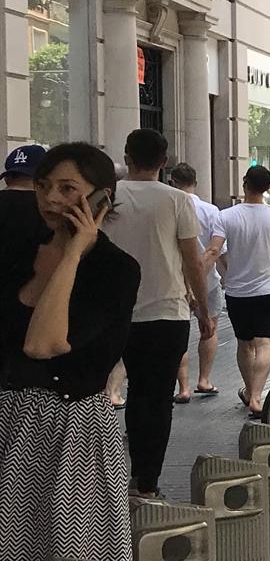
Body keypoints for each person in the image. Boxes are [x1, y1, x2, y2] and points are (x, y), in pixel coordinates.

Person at [0, 142, 140, 561]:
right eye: (44, 186)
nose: (50, 199)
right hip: (10, 422)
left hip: (70, 434)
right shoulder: (20, 249)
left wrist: (76, 251)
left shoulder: (115, 270)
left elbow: (44, 343)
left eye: (68, 188)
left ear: (101, 199)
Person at [101, 129, 208, 500]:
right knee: (157, 399)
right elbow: (192, 261)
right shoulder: (178, 200)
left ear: (126, 156)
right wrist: (204, 310)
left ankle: (118, 476)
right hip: (167, 313)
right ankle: (147, 482)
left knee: (126, 395)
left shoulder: (108, 197)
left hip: (115, 314)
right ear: (164, 162)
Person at [219, 165, 270, 419]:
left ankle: (249, 390)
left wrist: (228, 272)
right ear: (268, 188)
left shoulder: (227, 216)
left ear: (244, 184)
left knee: (244, 344)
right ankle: (256, 396)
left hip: (238, 293)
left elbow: (217, 251)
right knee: (265, 343)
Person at [168, 164, 225, 402]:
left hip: (176, 279)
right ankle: (204, 379)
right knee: (209, 328)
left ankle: (183, 387)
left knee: (180, 332)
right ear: (196, 182)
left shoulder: (170, 206)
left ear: (172, 182)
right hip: (208, 279)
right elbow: (217, 250)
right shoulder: (212, 211)